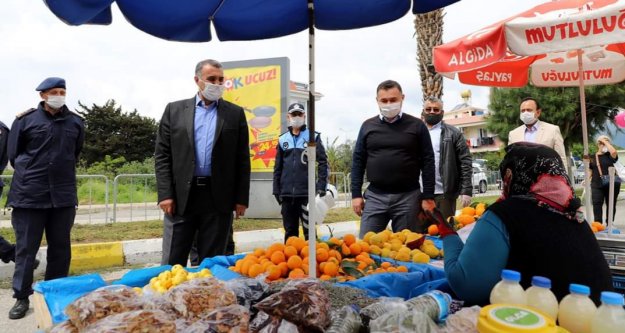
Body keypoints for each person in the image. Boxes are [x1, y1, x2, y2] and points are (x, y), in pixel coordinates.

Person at [437, 142, 613, 306]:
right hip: (600, 319)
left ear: (509, 175)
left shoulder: (505, 214)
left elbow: (467, 285)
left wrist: (448, 234)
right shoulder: (575, 214)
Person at [155, 59, 250, 267]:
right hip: (181, 198)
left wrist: (241, 198)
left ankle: (206, 299)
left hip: (218, 198)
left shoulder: (234, 114)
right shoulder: (174, 110)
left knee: (212, 263)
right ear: (197, 80)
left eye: (220, 79)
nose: (217, 84)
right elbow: (162, 155)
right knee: (172, 261)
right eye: (211, 79)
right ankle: (168, 298)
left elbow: (242, 159)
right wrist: (165, 194)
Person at [7, 77, 84, 320]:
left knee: (60, 248)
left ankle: (55, 293)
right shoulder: (25, 121)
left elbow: (75, 152)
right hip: (30, 194)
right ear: (43, 95)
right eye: (54, 92)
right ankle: (21, 296)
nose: (59, 95)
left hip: (62, 196)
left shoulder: (76, 122)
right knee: (26, 250)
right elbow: (13, 154)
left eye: (62, 91)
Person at [351, 80, 436, 238]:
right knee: (366, 246)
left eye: (393, 100)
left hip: (408, 198)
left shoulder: (417, 126)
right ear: (377, 101)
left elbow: (428, 162)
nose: (389, 104)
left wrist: (428, 196)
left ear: (402, 98)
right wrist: (355, 194)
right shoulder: (367, 126)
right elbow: (358, 161)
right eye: (384, 100)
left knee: (408, 248)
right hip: (375, 197)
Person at [273, 102, 328, 241]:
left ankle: (312, 262)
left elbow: (323, 162)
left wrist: (321, 186)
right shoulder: (282, 139)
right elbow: (278, 167)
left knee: (309, 233)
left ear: (304, 116)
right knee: (290, 234)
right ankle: (292, 262)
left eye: (299, 114)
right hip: (286, 195)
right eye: (293, 114)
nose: (296, 117)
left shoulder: (312, 137)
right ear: (288, 117)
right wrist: (276, 189)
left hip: (307, 195)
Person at [420, 96, 473, 221]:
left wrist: (466, 190)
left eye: (436, 109)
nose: (432, 112)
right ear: (423, 111)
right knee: (420, 235)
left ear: (442, 113)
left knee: (445, 232)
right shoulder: (416, 132)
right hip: (420, 194)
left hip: (444, 195)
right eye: (428, 109)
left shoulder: (453, 133)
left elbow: (465, 162)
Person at [508, 97, 568, 170]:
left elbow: (561, 158)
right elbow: (510, 160)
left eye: (529, 110)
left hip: (546, 178)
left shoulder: (552, 130)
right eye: (522, 111)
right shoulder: (513, 134)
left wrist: (563, 179)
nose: (525, 113)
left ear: (538, 112)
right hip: (522, 179)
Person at [589, 135, 621, 225]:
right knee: (596, 203)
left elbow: (614, 152)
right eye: (601, 143)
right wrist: (586, 180)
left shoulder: (610, 155)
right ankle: (598, 224)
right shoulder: (592, 156)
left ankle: (610, 224)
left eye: (606, 142)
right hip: (596, 184)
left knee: (611, 204)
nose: (603, 144)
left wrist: (605, 141)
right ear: (597, 144)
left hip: (612, 183)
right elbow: (590, 169)